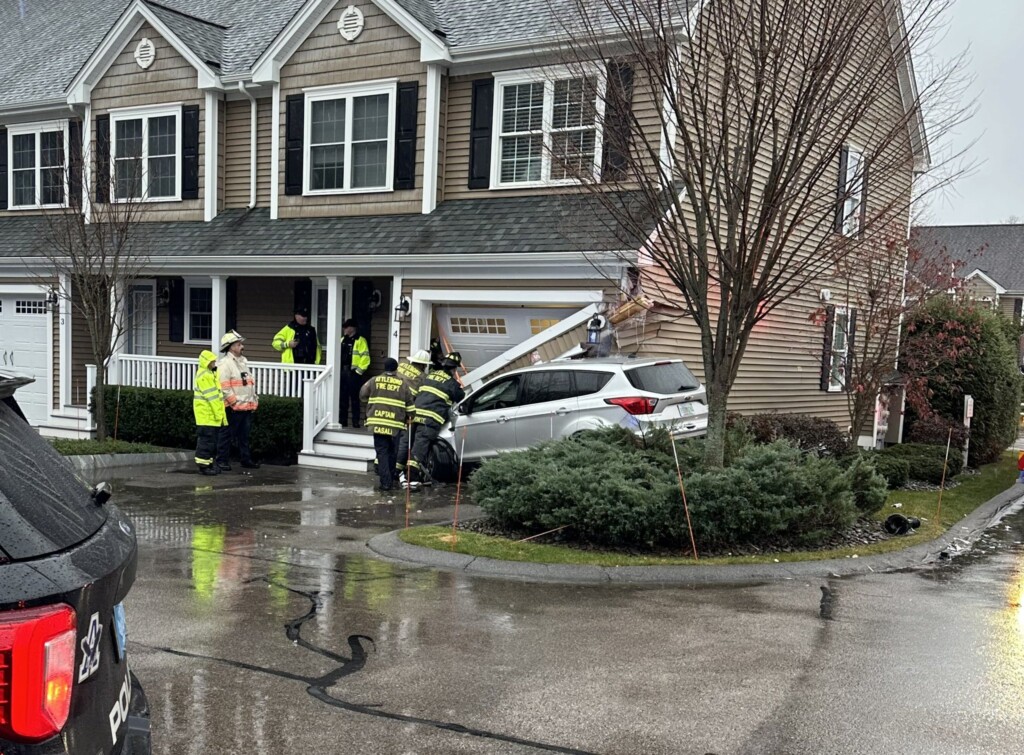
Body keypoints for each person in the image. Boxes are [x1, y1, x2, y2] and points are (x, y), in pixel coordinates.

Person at [405, 352, 465, 490]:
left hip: (415, 414)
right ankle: (411, 477)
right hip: (430, 419)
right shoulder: (452, 383)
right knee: (420, 447)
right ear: (454, 369)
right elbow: (461, 397)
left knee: (408, 443)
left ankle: (398, 472)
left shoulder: (429, 376)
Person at [359, 357, 412, 491]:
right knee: (392, 452)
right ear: (396, 369)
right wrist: (411, 417)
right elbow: (410, 405)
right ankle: (390, 480)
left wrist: (371, 402)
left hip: (377, 423)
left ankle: (386, 483)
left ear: (384, 368)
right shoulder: (403, 384)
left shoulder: (374, 380)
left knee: (382, 452)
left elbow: (362, 395)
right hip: (395, 425)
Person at [217, 330, 260, 470]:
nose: (242, 346)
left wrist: (253, 400)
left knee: (244, 437)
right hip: (233, 408)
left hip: (245, 407)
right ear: (231, 347)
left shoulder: (242, 362)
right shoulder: (225, 364)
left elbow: (247, 384)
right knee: (227, 435)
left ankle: (245, 460)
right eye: (238, 344)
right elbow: (224, 386)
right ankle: (221, 461)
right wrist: (233, 402)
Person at [395, 349, 432, 482]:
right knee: (404, 439)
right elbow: (420, 397)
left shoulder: (401, 366)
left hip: (389, 405)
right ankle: (396, 469)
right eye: (425, 365)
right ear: (422, 365)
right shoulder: (422, 377)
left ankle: (385, 467)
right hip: (404, 409)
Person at [193, 349, 227, 476]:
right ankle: (204, 466)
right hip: (206, 416)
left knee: (211, 442)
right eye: (212, 361)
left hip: (210, 416)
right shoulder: (205, 376)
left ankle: (209, 463)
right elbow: (212, 398)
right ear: (206, 362)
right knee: (206, 442)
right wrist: (219, 415)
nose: (214, 363)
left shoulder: (210, 374)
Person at [339, 318, 370, 428]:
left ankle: (355, 422)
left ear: (352, 328)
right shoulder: (342, 340)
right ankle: (342, 421)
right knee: (342, 398)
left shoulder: (360, 340)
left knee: (355, 399)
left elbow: (365, 359)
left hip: (353, 373)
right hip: (342, 372)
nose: (344, 329)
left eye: (346, 327)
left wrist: (357, 373)